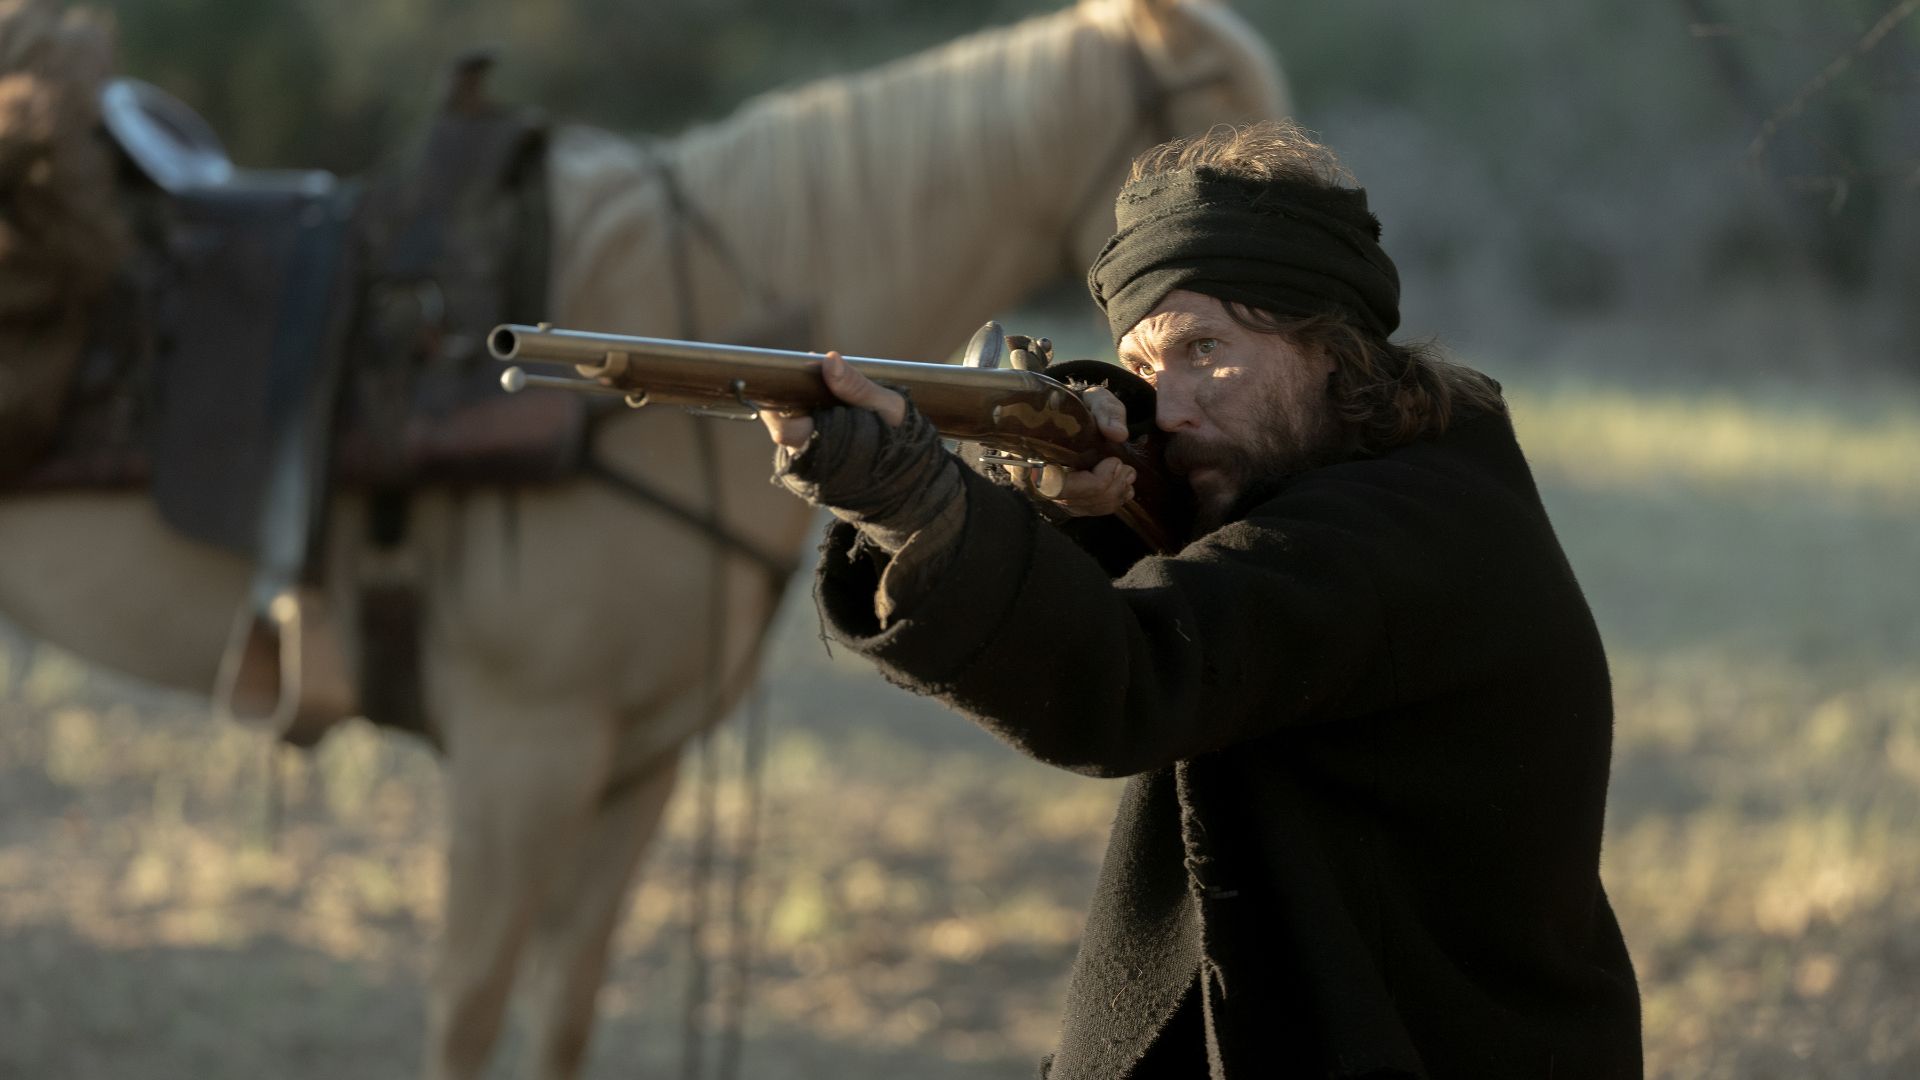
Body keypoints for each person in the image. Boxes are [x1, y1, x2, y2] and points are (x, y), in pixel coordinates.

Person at [758, 120, 1642, 1079]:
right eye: (1143, 370)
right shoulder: (1359, 477)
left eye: (1206, 349)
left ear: (1332, 348)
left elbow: (1134, 673)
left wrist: (917, 500)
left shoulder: (1403, 529)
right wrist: (1054, 474)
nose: (1170, 412)